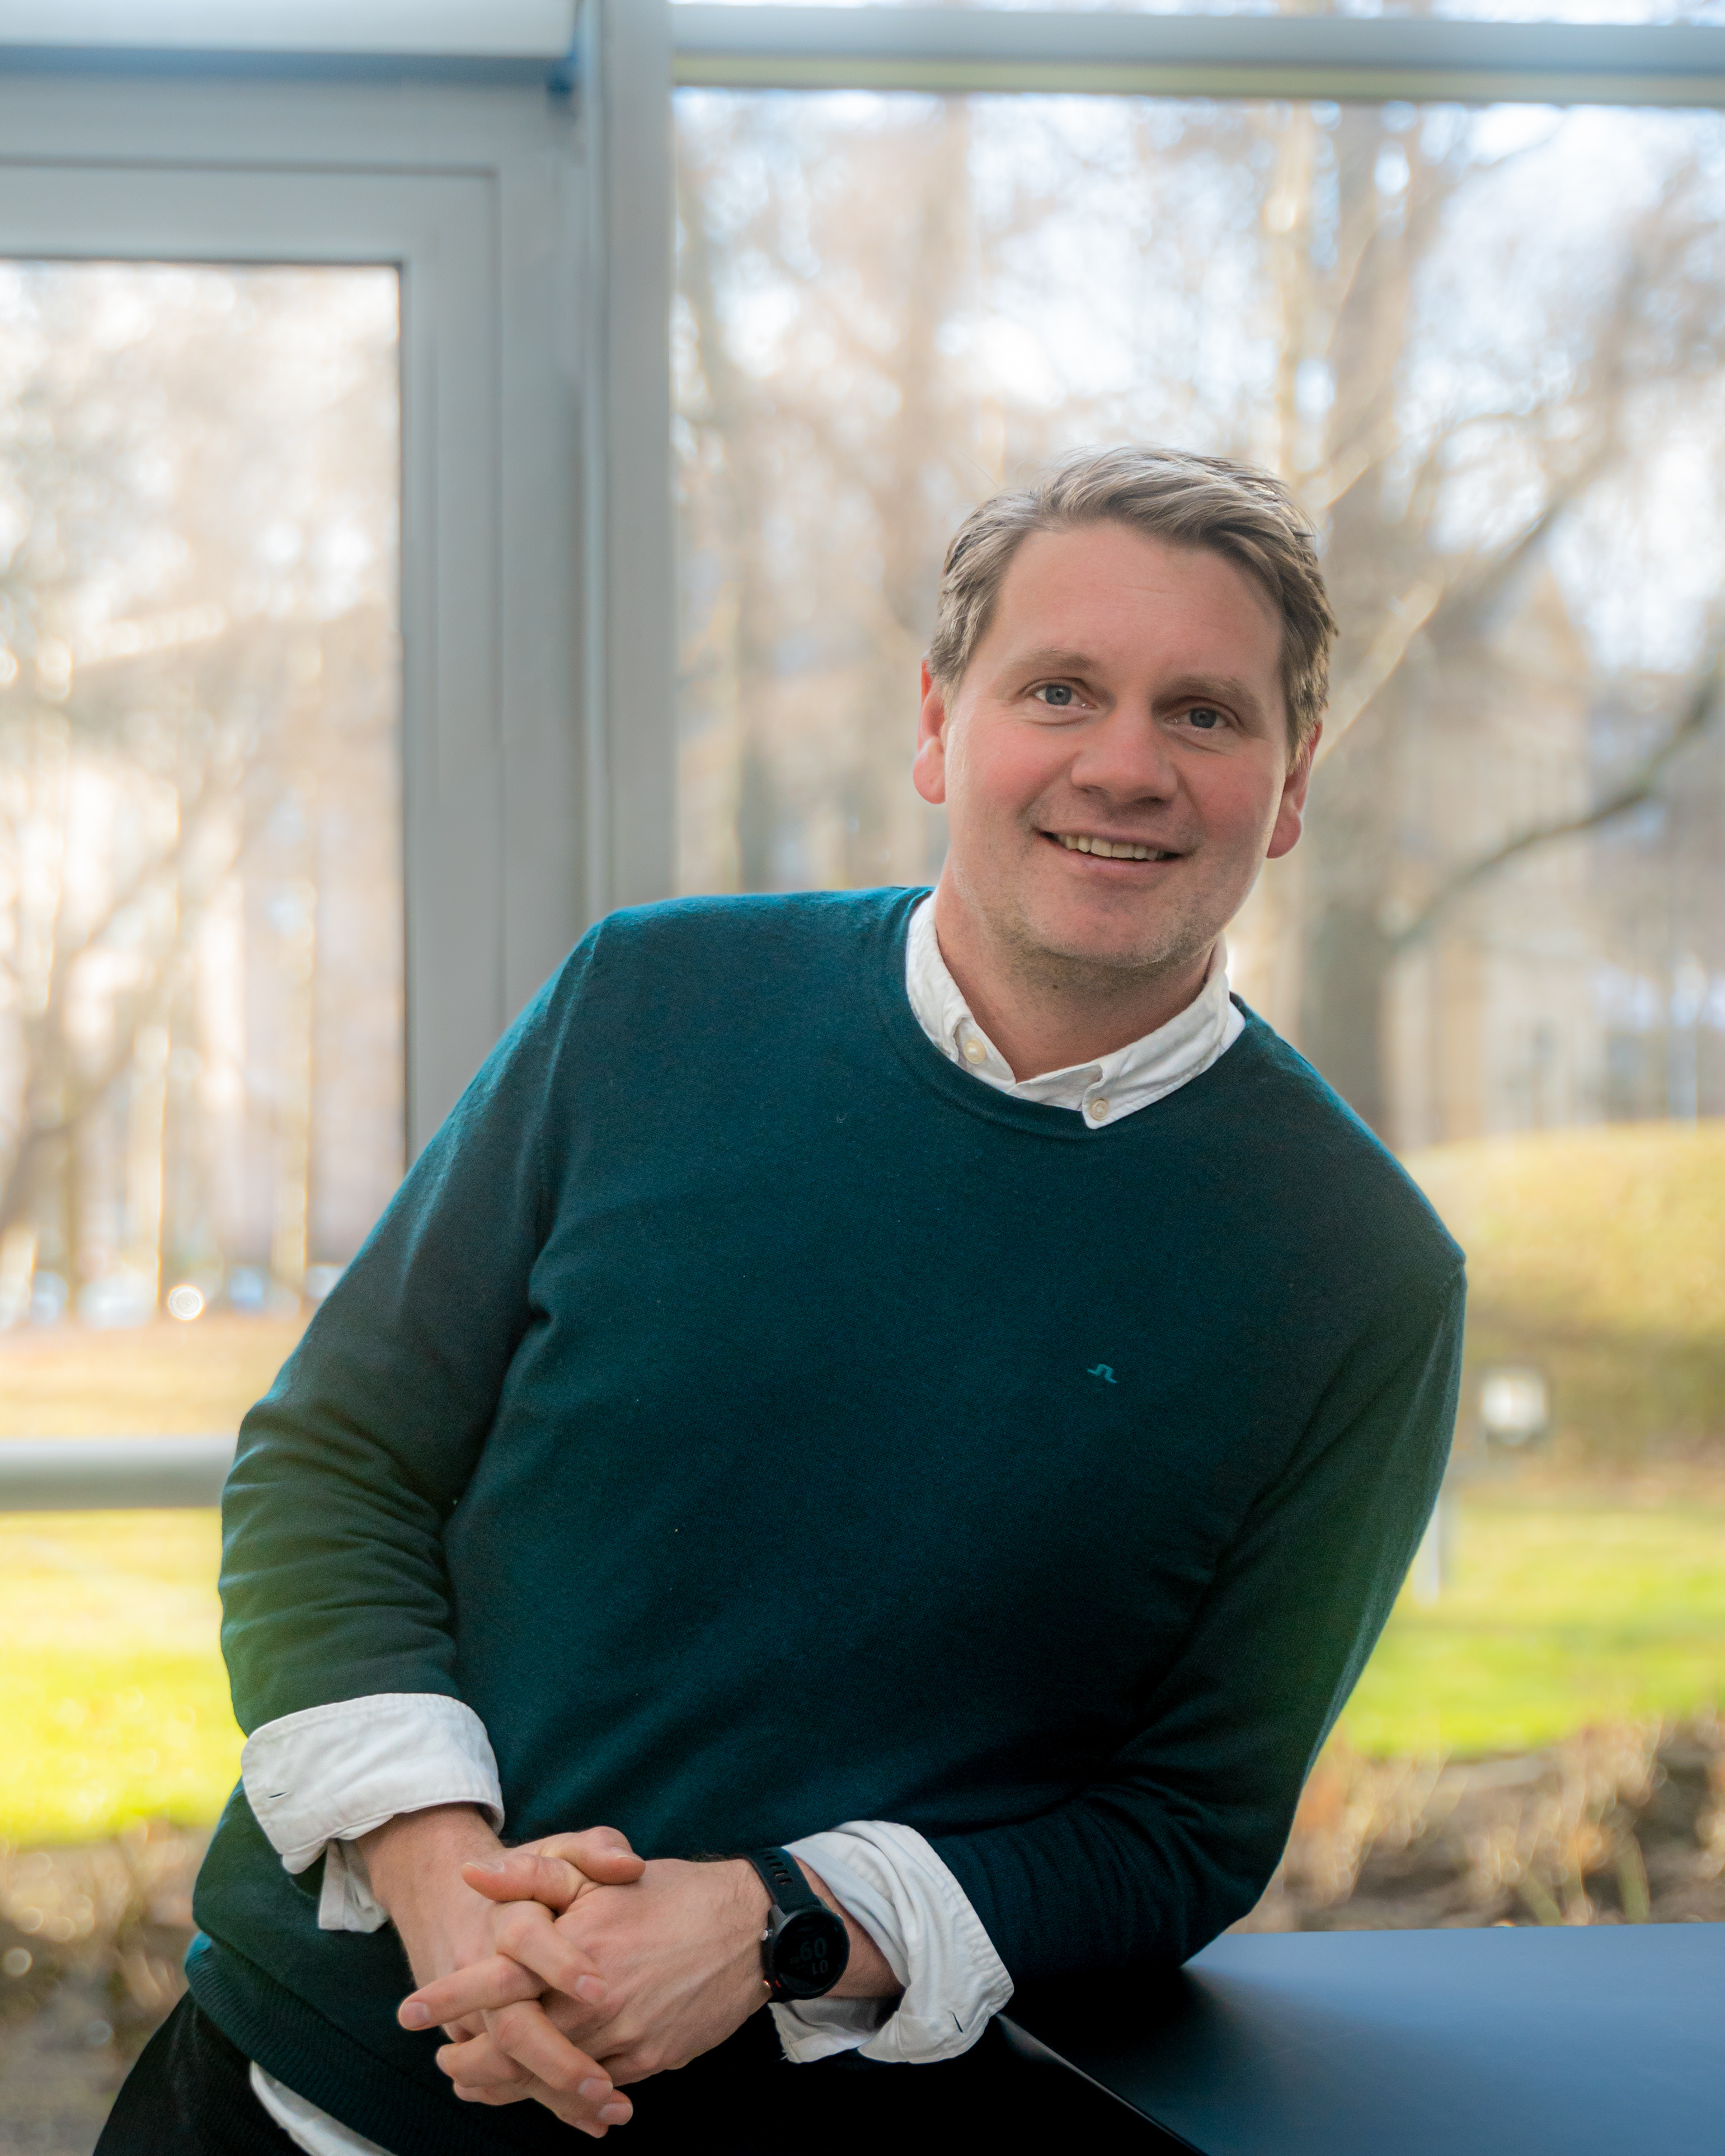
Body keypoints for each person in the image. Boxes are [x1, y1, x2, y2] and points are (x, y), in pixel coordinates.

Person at [98, 446, 1464, 2156]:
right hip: (281, 2096)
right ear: (938, 725)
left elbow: (1179, 1831)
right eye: (1059, 689)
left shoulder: (1360, 1271)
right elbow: (334, 1468)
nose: (1123, 765)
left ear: (1289, 781)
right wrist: (443, 1885)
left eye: (1202, 713)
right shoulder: (646, 1002)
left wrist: (776, 1926)